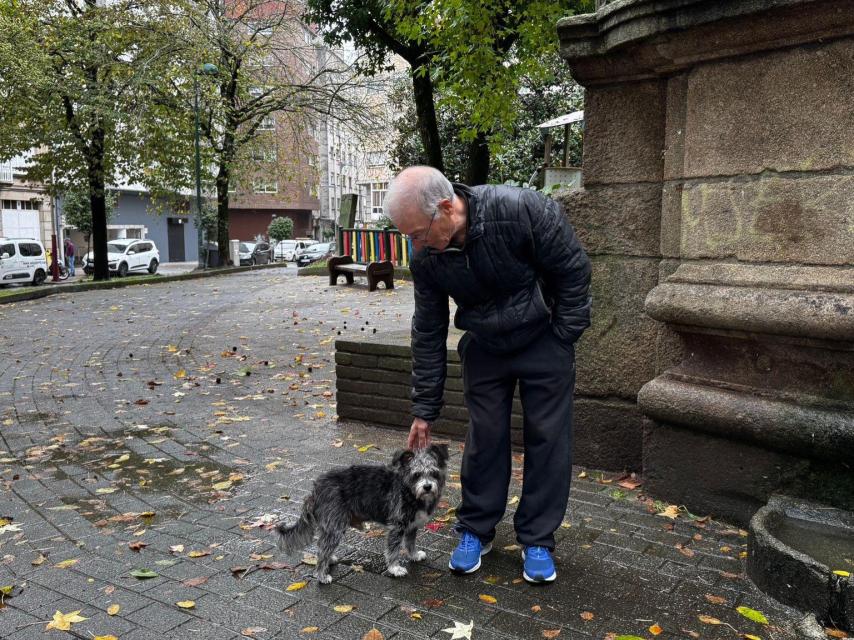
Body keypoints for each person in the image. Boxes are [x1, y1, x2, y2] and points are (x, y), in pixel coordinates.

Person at [383, 166, 591, 584]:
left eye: (418, 234)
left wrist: (562, 337)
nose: (415, 245)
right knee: (484, 437)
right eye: (408, 237)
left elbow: (573, 269)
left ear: (446, 208)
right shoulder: (426, 255)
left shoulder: (520, 210)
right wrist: (424, 409)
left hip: (542, 338)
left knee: (549, 439)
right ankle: (476, 530)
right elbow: (428, 327)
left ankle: (537, 539)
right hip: (485, 346)